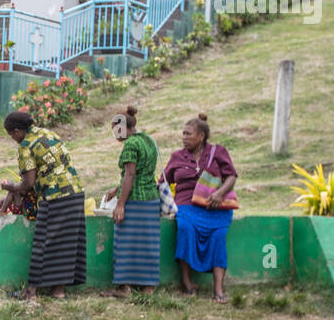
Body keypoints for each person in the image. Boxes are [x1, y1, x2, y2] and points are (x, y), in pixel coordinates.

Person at [0, 111, 86, 299]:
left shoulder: (26, 145)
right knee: (66, 245)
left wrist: (9, 187)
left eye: (12, 134)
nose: (13, 139)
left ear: (18, 131)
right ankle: (58, 291)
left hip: (54, 196)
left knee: (42, 243)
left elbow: (28, 183)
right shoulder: (49, 134)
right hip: (75, 192)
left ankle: (31, 291)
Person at [163, 113, 239, 303]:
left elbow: (231, 176)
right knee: (185, 228)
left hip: (215, 206)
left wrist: (220, 193)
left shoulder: (218, 152)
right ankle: (187, 283)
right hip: (186, 205)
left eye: (188, 134)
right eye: (183, 134)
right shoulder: (177, 157)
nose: (184, 137)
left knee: (218, 236)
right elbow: (162, 182)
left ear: (201, 136)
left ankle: (218, 290)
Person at [101, 106, 160, 297]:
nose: (114, 133)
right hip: (151, 200)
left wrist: (120, 204)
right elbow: (142, 171)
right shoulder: (148, 140)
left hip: (134, 201)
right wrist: (116, 188)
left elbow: (130, 174)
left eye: (114, 128)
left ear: (121, 127)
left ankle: (124, 287)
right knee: (147, 244)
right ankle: (147, 287)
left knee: (125, 244)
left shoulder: (131, 145)